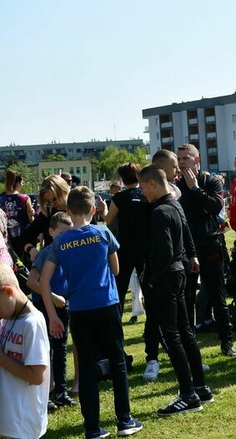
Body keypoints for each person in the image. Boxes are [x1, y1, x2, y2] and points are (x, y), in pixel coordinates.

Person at [40, 186, 142, 438]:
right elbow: (116, 270)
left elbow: (43, 282)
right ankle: (125, 420)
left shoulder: (60, 241)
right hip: (106, 305)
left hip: (80, 310)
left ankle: (92, 428)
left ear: (67, 210)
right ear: (94, 210)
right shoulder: (103, 232)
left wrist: (53, 315)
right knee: (117, 362)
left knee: (85, 368)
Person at [138, 164, 214, 416]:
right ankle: (200, 387)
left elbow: (165, 251)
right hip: (179, 273)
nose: (141, 193)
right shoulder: (175, 204)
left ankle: (188, 394)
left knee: (172, 336)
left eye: (142, 187)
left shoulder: (160, 211)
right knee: (185, 331)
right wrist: (191, 256)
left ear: (152, 183)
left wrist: (150, 280)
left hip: (167, 277)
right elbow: (186, 238)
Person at [176, 144, 235, 357]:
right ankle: (189, 346)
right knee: (187, 297)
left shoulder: (211, 181)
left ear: (197, 159)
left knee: (217, 294)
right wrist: (200, 206)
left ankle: (227, 341)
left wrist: (195, 190)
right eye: (179, 158)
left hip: (210, 243)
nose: (182, 162)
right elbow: (183, 212)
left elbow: (215, 207)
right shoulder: (175, 184)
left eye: (186, 158)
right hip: (185, 246)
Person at [26, 212, 76, 408]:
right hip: (43, 306)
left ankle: (61, 393)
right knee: (45, 351)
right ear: (51, 232)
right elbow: (32, 281)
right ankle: (44, 394)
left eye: (69, 232)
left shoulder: (71, 252)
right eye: (61, 233)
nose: (65, 237)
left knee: (61, 349)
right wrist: (52, 297)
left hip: (63, 307)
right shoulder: (46, 253)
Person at [0, 263, 50, 439]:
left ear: (8, 292)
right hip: (9, 417)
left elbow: (37, 376)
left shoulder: (33, 323)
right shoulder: (9, 317)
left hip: (23, 421)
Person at [96, 162, 150, 316]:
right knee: (147, 286)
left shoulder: (119, 197)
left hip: (125, 247)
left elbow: (109, 220)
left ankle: (116, 320)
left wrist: (103, 210)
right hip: (144, 246)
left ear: (122, 179)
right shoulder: (146, 194)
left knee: (120, 288)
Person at [1, 168, 35, 258]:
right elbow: (31, 219)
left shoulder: (1, 199)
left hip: (7, 237)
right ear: (18, 183)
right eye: (22, 182)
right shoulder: (25, 198)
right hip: (24, 236)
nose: (22, 184)